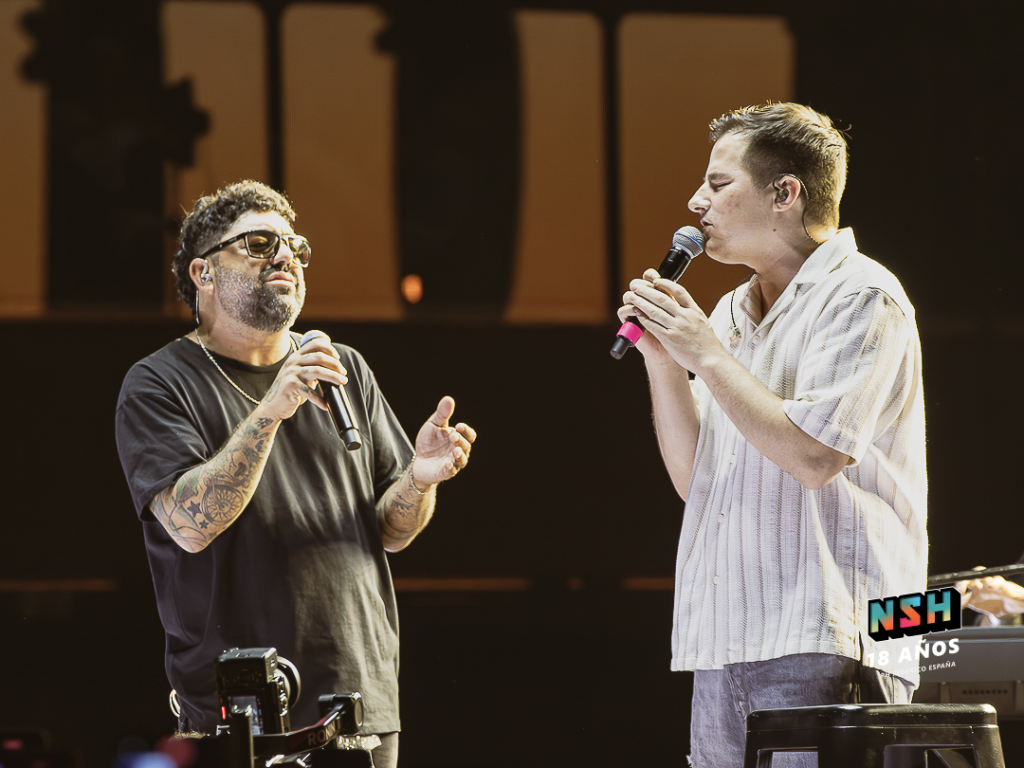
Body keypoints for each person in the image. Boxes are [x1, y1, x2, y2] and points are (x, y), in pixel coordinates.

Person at [115, 180, 476, 768]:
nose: (285, 255)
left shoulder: (343, 368)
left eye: (294, 246)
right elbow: (189, 525)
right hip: (242, 712)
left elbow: (391, 531)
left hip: (360, 699)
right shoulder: (159, 382)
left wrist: (419, 479)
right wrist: (271, 412)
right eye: (259, 244)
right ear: (204, 274)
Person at [618, 103, 927, 767]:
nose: (697, 201)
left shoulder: (865, 296)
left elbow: (815, 457)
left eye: (720, 184)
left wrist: (706, 354)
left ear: (784, 193)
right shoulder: (731, 310)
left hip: (828, 631)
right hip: (727, 629)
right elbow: (695, 479)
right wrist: (666, 363)